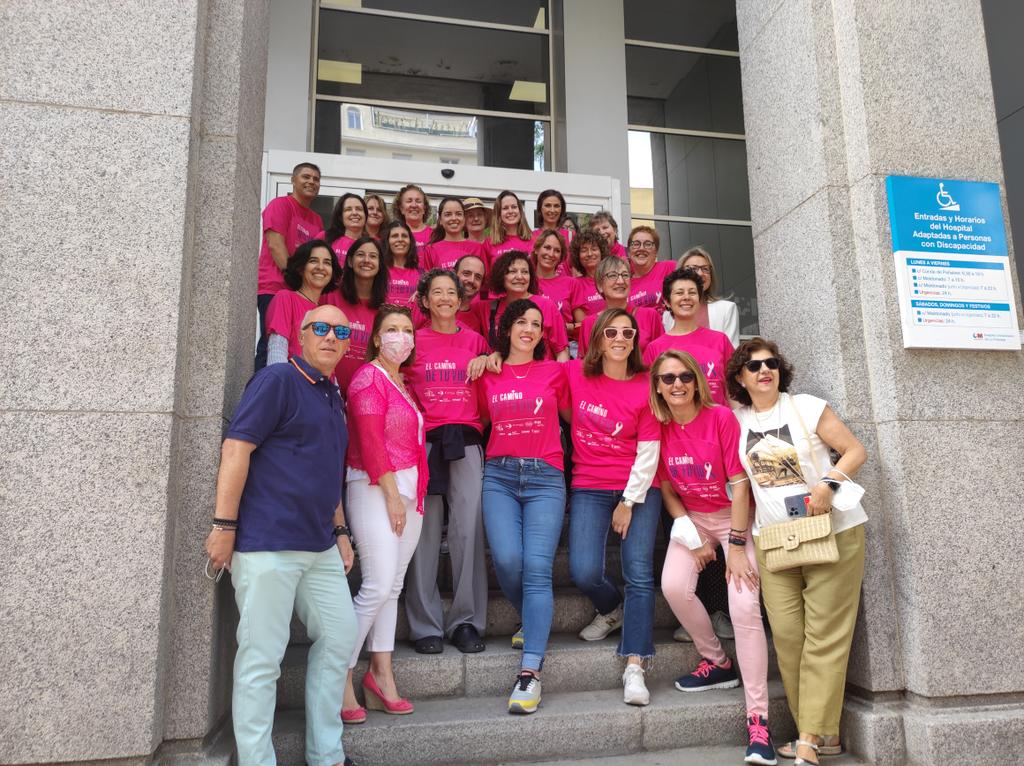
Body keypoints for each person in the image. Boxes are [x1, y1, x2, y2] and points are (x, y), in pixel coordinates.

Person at [205, 303, 358, 766]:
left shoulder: (332, 395)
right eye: (321, 328)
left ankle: (326, 756)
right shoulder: (277, 380)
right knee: (261, 659)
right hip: (268, 542)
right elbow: (236, 449)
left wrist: (341, 530)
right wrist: (224, 525)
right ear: (301, 334)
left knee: (340, 638)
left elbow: (328, 470)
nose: (331, 337)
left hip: (320, 544)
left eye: (341, 331)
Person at [728, 339, 868, 766]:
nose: (764, 371)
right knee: (789, 639)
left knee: (825, 636)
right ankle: (823, 735)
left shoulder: (806, 406)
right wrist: (736, 542)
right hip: (775, 541)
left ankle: (808, 739)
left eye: (770, 363)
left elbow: (855, 450)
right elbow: (738, 485)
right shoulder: (734, 421)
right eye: (753, 366)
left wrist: (829, 483)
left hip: (832, 532)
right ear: (740, 377)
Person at [651, 349, 776, 766]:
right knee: (673, 585)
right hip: (695, 519)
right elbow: (667, 488)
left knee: (743, 605)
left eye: (685, 376)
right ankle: (718, 662)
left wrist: (735, 547)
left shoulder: (719, 417)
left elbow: (740, 486)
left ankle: (758, 721)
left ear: (697, 381)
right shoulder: (660, 426)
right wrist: (690, 533)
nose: (678, 384)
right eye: (668, 378)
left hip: (733, 518)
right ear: (658, 387)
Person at [478, 299, 571, 714]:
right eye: (521, 322)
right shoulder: (488, 372)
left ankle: (530, 672)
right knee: (507, 559)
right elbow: (478, 419)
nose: (529, 329)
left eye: (536, 323)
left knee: (536, 568)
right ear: (507, 329)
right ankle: (531, 618)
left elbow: (575, 417)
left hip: (545, 477)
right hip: (499, 476)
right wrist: (482, 360)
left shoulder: (555, 372)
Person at [568, 308, 661, 707]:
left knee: (638, 573)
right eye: (611, 332)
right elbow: (527, 372)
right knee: (583, 570)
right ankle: (611, 608)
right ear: (598, 340)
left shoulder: (646, 384)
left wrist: (628, 501)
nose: (620, 338)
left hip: (639, 488)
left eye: (627, 332)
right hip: (589, 484)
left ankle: (635, 665)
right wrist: (490, 357)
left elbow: (649, 451)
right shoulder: (575, 374)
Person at [341, 305, 428, 724]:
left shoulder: (403, 383)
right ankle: (339, 673)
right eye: (392, 329)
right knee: (376, 586)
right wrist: (393, 497)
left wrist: (408, 497)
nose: (401, 336)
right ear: (376, 337)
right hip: (375, 488)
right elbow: (372, 442)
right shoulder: (367, 378)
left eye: (407, 329)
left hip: (409, 492)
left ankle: (380, 675)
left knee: (392, 587)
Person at [404, 271, 491, 655]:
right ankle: (424, 624)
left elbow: (488, 392)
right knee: (424, 534)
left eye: (450, 292)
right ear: (424, 300)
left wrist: (488, 357)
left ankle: (465, 621)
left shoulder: (476, 341)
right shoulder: (412, 340)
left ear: (460, 299)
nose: (444, 298)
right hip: (424, 444)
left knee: (468, 532)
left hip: (466, 442)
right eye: (436, 292)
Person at [255, 162, 323, 370]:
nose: (311, 181)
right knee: (271, 345)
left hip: (300, 293)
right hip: (274, 288)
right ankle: (264, 386)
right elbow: (275, 245)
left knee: (298, 345)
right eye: (306, 177)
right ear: (293, 180)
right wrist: (294, 280)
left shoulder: (316, 220)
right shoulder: (280, 205)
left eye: (316, 179)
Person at [644, 268, 734, 407]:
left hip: (718, 419)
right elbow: (650, 397)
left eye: (692, 292)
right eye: (679, 293)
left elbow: (733, 390)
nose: (686, 297)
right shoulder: (654, 348)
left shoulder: (720, 340)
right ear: (667, 301)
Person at [470, 251, 569, 361]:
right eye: (513, 271)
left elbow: (561, 351)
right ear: (501, 276)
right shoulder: (485, 308)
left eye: (525, 272)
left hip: (542, 370)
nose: (520, 277)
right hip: (501, 371)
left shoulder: (547, 305)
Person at [325, 237, 390, 393]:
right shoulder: (329, 296)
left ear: (380, 264)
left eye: (373, 256)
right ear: (350, 261)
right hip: (327, 389)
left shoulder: (385, 309)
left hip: (366, 393)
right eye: (360, 254)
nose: (366, 260)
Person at [265, 239, 340, 364]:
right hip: (290, 375)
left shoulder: (324, 311)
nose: (321, 267)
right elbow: (277, 350)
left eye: (327, 263)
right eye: (313, 261)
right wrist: (281, 377)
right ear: (300, 268)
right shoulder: (286, 298)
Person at [577, 257, 664, 356]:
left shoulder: (650, 316)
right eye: (612, 275)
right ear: (600, 285)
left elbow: (662, 358)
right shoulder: (589, 324)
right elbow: (585, 362)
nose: (620, 281)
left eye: (625, 275)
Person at [675, 246, 740, 345]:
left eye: (705, 269)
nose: (701, 273)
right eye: (693, 268)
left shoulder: (726, 309)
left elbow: (731, 351)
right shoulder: (669, 314)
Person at [423, 197, 487, 271]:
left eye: (458, 214)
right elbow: (427, 277)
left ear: (464, 218)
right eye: (448, 214)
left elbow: (484, 277)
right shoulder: (430, 250)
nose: (454, 218)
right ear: (440, 220)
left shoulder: (477, 248)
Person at [532, 229, 575, 337]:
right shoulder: (525, 282)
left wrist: (562, 327)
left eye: (557, 251)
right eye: (547, 248)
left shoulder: (570, 283)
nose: (551, 254)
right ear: (536, 249)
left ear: (561, 257)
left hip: (565, 342)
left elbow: (582, 324)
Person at [626, 226, 676, 312]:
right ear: (629, 252)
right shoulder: (624, 283)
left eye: (648, 244)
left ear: (656, 252)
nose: (641, 248)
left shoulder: (669, 268)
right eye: (636, 244)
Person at [569, 230, 611, 331]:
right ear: (578, 256)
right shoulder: (575, 284)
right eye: (584, 250)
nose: (589, 254)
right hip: (591, 336)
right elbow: (582, 322)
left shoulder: (613, 278)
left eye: (594, 249)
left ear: (601, 252)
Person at [487, 191, 534, 266]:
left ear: (520, 211)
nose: (510, 211)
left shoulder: (534, 241)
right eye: (505, 208)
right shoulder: (488, 243)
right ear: (498, 214)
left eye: (514, 207)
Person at [381, 220, 421, 306]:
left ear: (410, 241)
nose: (400, 239)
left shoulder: (421, 274)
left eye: (404, 236)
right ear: (387, 241)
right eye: (395, 236)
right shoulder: (379, 270)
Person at [321, 193, 368, 264]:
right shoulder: (325, 236)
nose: (354, 213)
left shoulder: (370, 245)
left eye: (359, 209)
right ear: (341, 216)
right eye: (348, 209)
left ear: (365, 215)